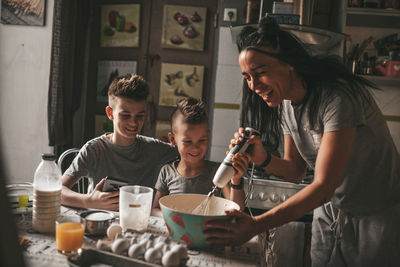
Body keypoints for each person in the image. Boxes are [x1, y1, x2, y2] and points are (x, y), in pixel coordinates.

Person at [204, 16, 400, 267]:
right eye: (247, 77)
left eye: (260, 72)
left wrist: (256, 225)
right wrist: (261, 157)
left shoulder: (338, 98)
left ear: (289, 64)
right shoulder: (287, 104)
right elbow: (296, 171)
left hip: (377, 214)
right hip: (332, 212)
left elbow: (323, 186)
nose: (253, 85)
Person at [61, 74, 178, 211]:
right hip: (100, 221)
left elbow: (188, 151)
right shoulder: (94, 150)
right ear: (110, 113)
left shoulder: (154, 148)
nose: (133, 123)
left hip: (138, 223)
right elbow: (58, 191)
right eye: (125, 115)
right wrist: (89, 201)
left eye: (140, 116)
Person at [151, 97, 248, 217]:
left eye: (202, 140)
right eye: (188, 141)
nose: (195, 148)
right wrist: (175, 218)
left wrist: (236, 181)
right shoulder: (167, 172)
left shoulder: (218, 172)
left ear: (208, 135)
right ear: (172, 139)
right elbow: (154, 210)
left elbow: (237, 209)